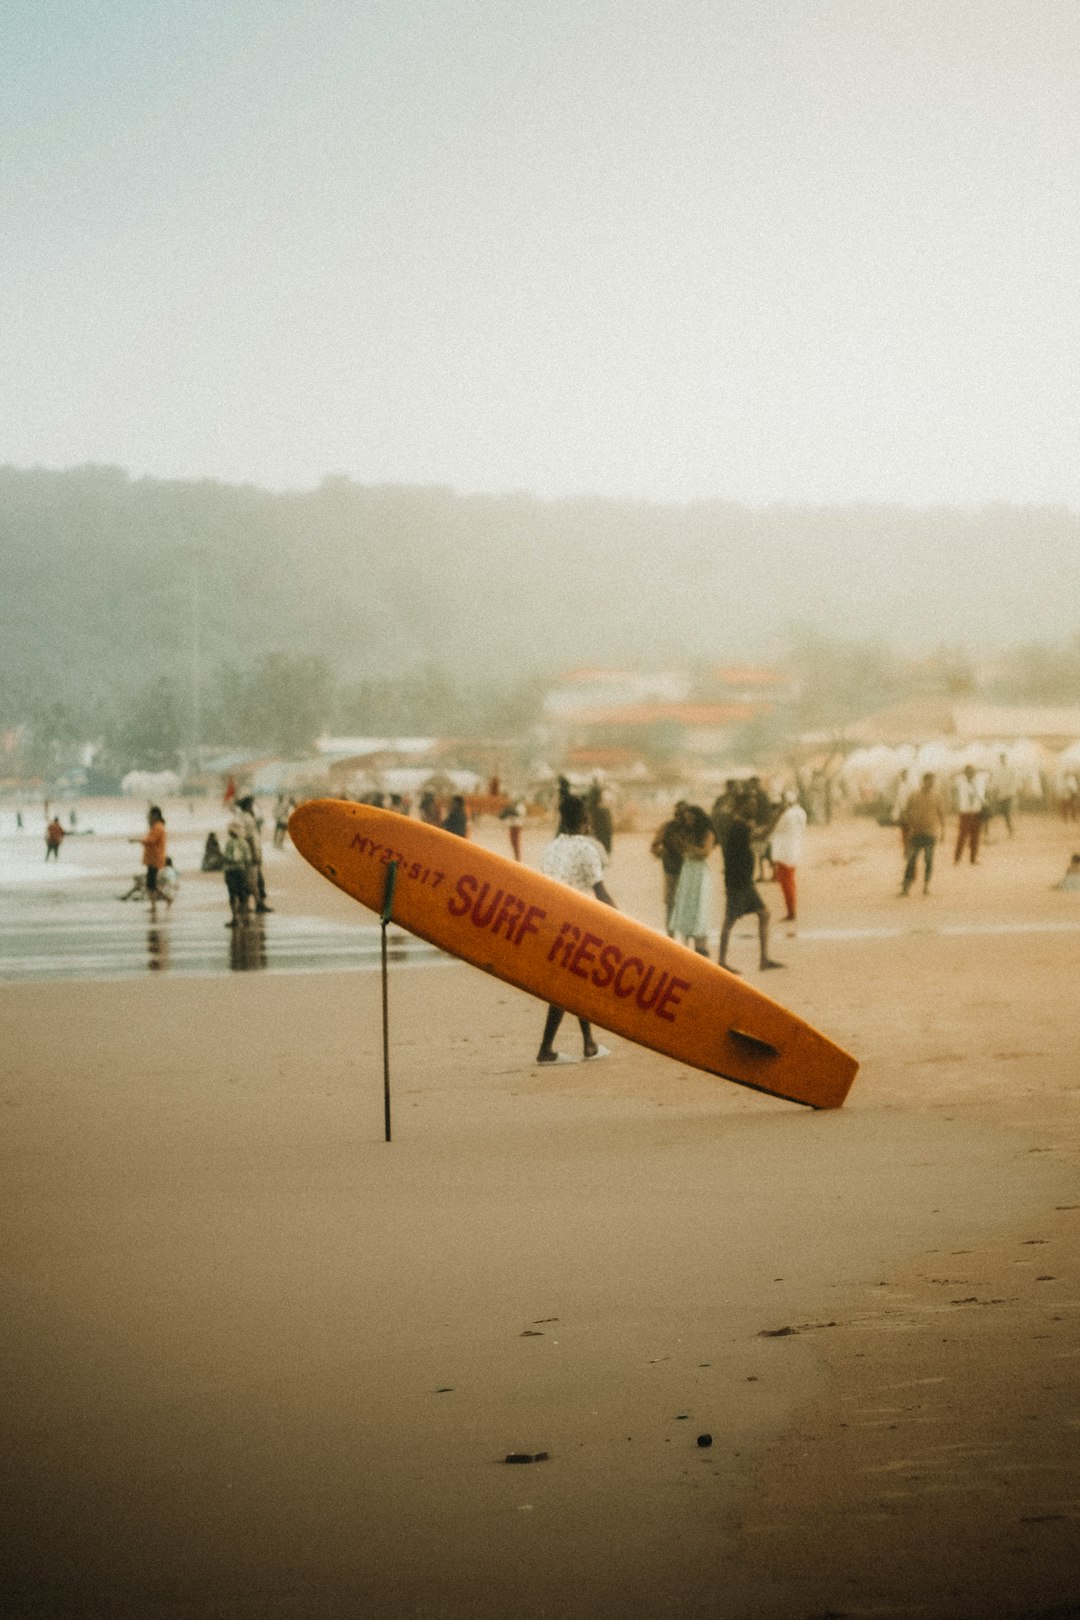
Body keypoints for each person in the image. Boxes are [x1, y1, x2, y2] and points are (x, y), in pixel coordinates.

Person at [536, 794, 617, 1064]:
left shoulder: (552, 847)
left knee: (574, 982)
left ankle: (589, 1044)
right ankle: (547, 1049)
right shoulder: (586, 848)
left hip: (550, 921)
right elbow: (600, 892)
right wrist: (622, 924)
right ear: (585, 820)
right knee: (568, 985)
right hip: (576, 923)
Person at [718, 808, 783, 973]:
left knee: (762, 914)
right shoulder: (740, 828)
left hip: (741, 882)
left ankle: (762, 959)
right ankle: (722, 961)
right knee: (730, 921)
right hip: (740, 883)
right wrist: (777, 816)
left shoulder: (736, 827)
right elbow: (762, 835)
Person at [666, 804, 715, 955]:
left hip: (699, 872)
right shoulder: (686, 833)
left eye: (690, 818)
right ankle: (686, 946)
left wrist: (687, 848)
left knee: (699, 905)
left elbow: (705, 852)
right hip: (688, 872)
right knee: (686, 905)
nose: (688, 821)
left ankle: (700, 945)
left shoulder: (707, 833)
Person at [899, 772, 946, 896]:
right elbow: (906, 811)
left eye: (932, 781)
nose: (930, 784)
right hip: (916, 833)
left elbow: (941, 814)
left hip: (931, 833)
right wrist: (909, 826)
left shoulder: (937, 796)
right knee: (911, 860)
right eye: (928, 781)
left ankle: (926, 885)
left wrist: (943, 831)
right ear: (923, 781)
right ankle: (906, 887)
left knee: (929, 859)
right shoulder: (914, 795)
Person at [650, 801, 690, 934]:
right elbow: (655, 846)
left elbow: (655, 847)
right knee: (674, 905)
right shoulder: (670, 827)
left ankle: (673, 936)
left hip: (677, 869)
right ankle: (672, 936)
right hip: (674, 869)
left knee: (674, 905)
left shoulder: (671, 827)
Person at [769, 789, 808, 924]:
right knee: (790, 882)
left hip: (784, 851)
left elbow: (775, 831)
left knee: (786, 883)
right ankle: (791, 911)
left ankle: (791, 912)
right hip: (794, 850)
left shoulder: (787, 815)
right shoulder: (801, 812)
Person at [130, 806, 170, 918]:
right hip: (153, 858)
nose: (149, 817)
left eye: (150, 815)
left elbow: (150, 840)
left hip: (155, 858)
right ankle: (167, 900)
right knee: (151, 884)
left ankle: (155, 906)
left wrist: (136, 840)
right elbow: (150, 839)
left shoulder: (158, 827)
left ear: (155, 815)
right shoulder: (156, 826)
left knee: (150, 884)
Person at [236, 795, 272, 912]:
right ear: (248, 806)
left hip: (243, 853)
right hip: (251, 853)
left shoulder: (240, 817)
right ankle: (258, 904)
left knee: (247, 880)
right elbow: (251, 838)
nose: (253, 807)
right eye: (252, 805)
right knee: (253, 880)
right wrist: (255, 854)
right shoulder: (248, 819)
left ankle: (244, 905)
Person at [222, 817, 254, 926]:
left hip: (230, 871)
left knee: (232, 895)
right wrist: (248, 873)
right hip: (241, 870)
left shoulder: (229, 843)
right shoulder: (244, 843)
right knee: (242, 895)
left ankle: (235, 918)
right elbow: (248, 860)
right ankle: (245, 919)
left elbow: (226, 857)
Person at [954, 765, 985, 865]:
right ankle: (957, 858)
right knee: (962, 836)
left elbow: (988, 773)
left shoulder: (979, 781)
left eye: (972, 771)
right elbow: (952, 776)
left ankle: (973, 858)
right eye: (968, 772)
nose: (970, 774)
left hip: (976, 811)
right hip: (965, 812)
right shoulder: (960, 781)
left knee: (975, 836)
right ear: (964, 773)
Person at [987, 752, 1020, 838]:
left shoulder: (1011, 769)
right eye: (1001, 758)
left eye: (1004, 758)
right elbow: (995, 782)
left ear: (1006, 759)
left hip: (1008, 794)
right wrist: (994, 791)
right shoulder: (997, 769)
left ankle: (1010, 831)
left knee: (1007, 813)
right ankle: (989, 832)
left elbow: (1014, 781)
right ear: (999, 759)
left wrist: (1011, 792)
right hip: (1000, 795)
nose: (1002, 760)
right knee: (995, 813)